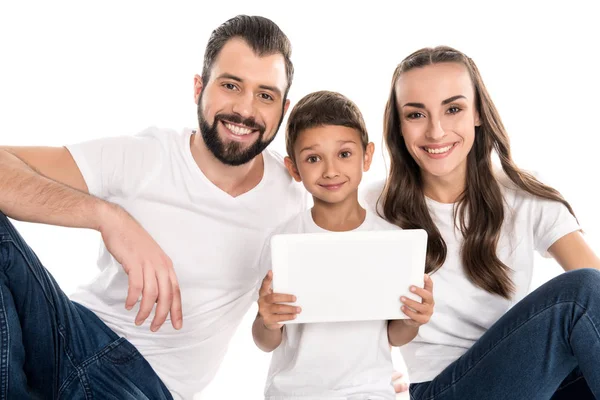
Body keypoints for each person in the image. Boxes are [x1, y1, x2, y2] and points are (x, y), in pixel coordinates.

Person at [0, 15, 307, 399]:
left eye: (265, 95)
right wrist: (108, 217)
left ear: (283, 107)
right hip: (70, 330)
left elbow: (280, 331)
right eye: (231, 85)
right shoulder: (146, 157)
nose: (245, 110)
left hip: (145, 384)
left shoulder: (294, 197)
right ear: (199, 88)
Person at [362, 45, 600, 399]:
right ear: (398, 125)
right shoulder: (372, 206)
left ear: (477, 114)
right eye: (416, 115)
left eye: (453, 109)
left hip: (526, 383)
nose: (436, 132)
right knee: (577, 297)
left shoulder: (522, 193)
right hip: (443, 389)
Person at [252, 90, 434, 399]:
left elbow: (394, 335)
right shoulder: (282, 241)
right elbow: (265, 340)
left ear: (367, 156)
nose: (331, 170)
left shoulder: (391, 241)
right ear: (294, 168)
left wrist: (413, 318)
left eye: (344, 154)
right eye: (313, 158)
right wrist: (267, 321)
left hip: (369, 392)